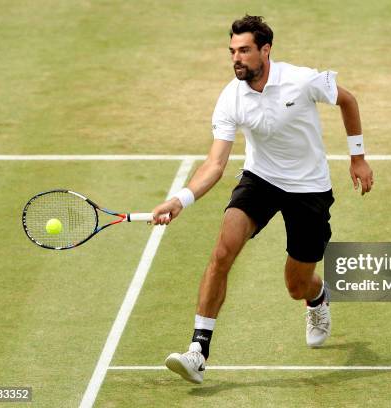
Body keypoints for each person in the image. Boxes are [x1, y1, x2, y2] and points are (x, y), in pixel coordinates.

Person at [152, 15, 373, 384]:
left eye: (244, 50)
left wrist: (358, 157)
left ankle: (317, 299)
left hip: (309, 188)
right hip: (262, 179)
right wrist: (180, 199)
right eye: (232, 52)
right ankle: (197, 352)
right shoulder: (231, 97)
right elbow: (215, 163)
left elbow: (347, 100)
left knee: (295, 285)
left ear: (265, 50)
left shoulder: (301, 80)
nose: (236, 58)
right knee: (222, 252)